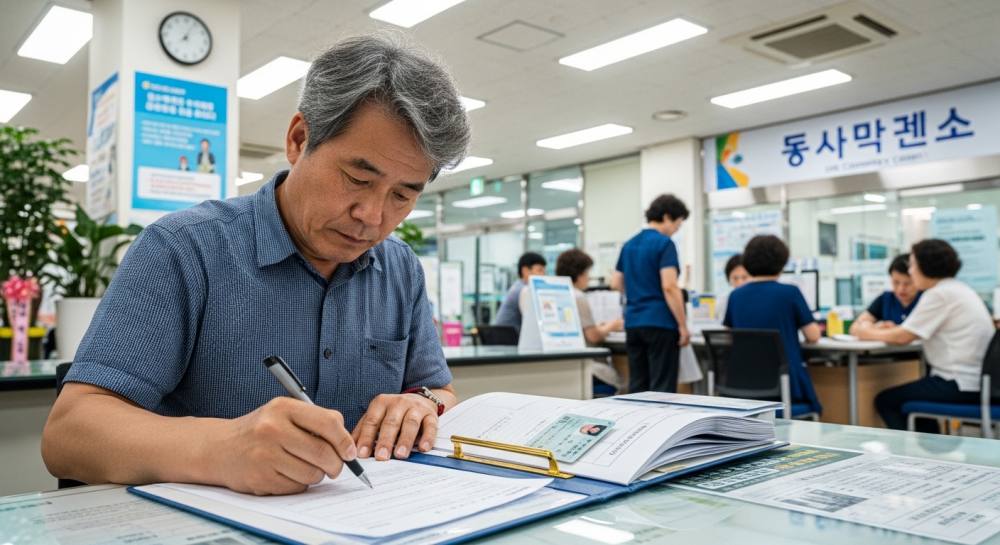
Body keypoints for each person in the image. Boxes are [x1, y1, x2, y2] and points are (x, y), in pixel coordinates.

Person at [41, 35, 471, 495]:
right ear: (299, 139)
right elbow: (69, 435)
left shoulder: (400, 267)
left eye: (403, 195)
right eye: (357, 179)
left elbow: (438, 390)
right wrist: (222, 447)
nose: (373, 216)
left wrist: (422, 404)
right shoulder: (185, 249)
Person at [857, 239, 994, 431]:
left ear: (926, 266)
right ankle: (930, 447)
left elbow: (902, 337)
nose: (911, 271)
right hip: (977, 381)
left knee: (886, 400)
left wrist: (866, 331)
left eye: (913, 265)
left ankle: (916, 454)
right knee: (909, 395)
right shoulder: (957, 288)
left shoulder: (939, 294)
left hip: (959, 383)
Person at [724, 235, 822, 415]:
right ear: (782, 262)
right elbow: (813, 335)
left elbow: (729, 335)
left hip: (742, 388)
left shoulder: (735, 296)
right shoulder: (790, 293)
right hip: (785, 388)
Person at [611, 194, 689, 393]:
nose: (676, 231)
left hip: (634, 322)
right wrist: (682, 325)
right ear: (666, 217)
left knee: (638, 385)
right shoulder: (664, 244)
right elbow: (669, 286)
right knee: (661, 387)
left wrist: (639, 291)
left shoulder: (629, 245)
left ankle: (640, 425)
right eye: (677, 225)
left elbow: (616, 282)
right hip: (660, 322)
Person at [525, 248, 622, 388]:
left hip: (557, 366)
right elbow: (593, 336)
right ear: (579, 274)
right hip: (587, 367)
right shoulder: (578, 296)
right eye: (587, 273)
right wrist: (612, 326)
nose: (588, 278)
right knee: (623, 379)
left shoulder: (551, 293)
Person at [849, 254, 922, 335]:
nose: (901, 289)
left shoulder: (926, 299)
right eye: (896, 282)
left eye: (907, 283)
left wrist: (884, 332)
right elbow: (854, 327)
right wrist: (875, 327)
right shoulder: (886, 299)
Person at [493, 252, 546, 333]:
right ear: (525, 271)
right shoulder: (522, 290)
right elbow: (533, 321)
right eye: (540, 270)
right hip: (507, 340)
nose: (543, 275)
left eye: (544, 271)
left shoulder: (519, 286)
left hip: (507, 338)